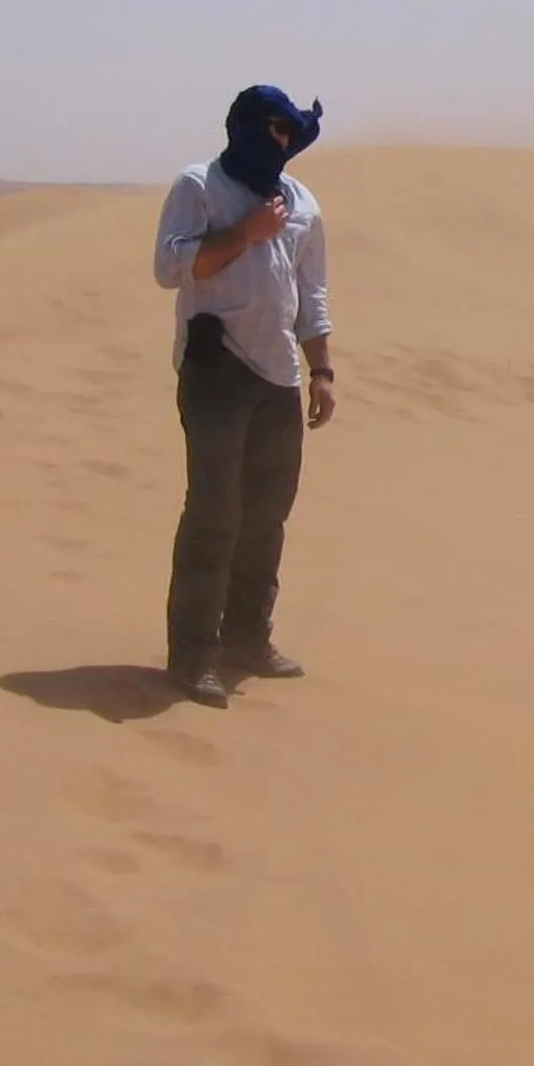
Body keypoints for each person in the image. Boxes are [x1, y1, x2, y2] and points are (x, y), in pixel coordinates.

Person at [151, 85, 336, 707]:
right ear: (242, 127)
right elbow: (170, 269)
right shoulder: (199, 186)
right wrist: (245, 233)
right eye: (270, 130)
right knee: (212, 515)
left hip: (280, 375)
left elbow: (312, 294)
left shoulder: (303, 201)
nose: (279, 143)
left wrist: (324, 372)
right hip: (216, 370)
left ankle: (248, 641)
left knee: (265, 517)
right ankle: (193, 656)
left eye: (288, 133)